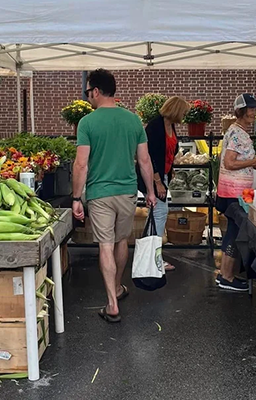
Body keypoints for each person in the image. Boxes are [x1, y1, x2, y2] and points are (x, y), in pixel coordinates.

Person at [72, 68, 156, 323]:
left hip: (100, 194)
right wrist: (151, 192)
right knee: (121, 241)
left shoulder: (87, 123)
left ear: (96, 91)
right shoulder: (133, 121)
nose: (88, 97)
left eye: (88, 92)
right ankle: (118, 288)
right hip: (127, 192)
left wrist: (77, 197)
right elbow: (144, 160)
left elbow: (81, 164)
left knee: (105, 246)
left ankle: (111, 303)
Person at [214, 93, 256, 292]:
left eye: (254, 109)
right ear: (240, 111)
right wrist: (253, 162)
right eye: (250, 109)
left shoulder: (237, 131)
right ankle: (226, 276)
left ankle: (226, 275)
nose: (253, 112)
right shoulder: (237, 134)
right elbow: (229, 162)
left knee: (234, 232)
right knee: (235, 232)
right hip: (235, 193)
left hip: (237, 191)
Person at [137, 96, 191, 271]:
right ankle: (154, 260)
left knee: (156, 214)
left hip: (163, 174)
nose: (184, 116)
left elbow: (169, 151)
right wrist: (157, 182)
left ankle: (148, 256)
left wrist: (170, 169)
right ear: (175, 111)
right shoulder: (155, 127)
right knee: (160, 213)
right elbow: (148, 157)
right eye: (183, 112)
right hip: (151, 177)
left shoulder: (170, 125)